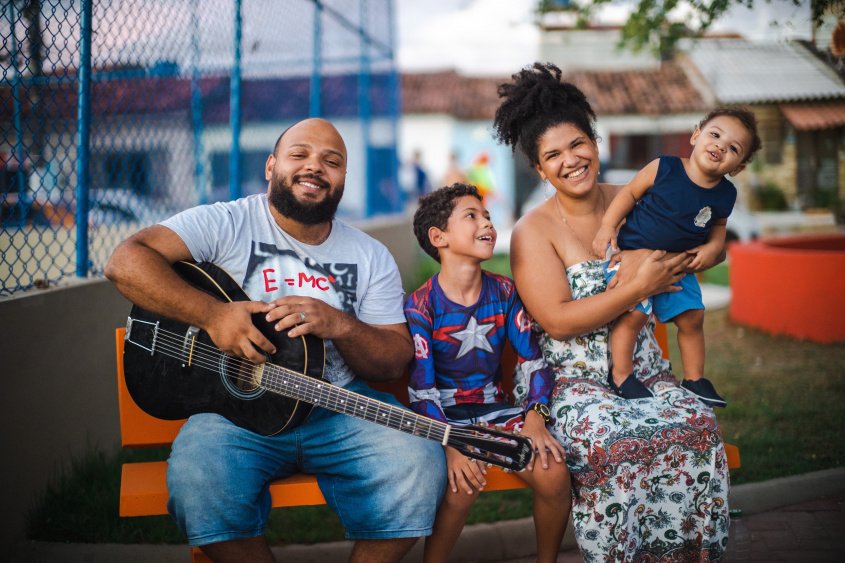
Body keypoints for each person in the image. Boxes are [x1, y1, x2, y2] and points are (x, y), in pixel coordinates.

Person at [105, 118, 446, 563]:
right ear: (271, 166)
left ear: (344, 178)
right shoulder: (226, 222)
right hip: (234, 415)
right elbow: (125, 262)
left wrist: (339, 324)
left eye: (332, 161)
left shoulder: (369, 255)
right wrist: (212, 315)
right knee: (198, 484)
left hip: (338, 408)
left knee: (419, 463)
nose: (315, 168)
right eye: (299, 154)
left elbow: (393, 360)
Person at [493, 63, 731, 560]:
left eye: (578, 145)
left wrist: (713, 248)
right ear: (539, 170)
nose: (571, 160)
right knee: (612, 438)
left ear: (595, 144)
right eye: (553, 155)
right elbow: (556, 321)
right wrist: (637, 286)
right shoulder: (534, 232)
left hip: (642, 371)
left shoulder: (638, 199)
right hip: (569, 382)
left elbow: (700, 221)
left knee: (697, 425)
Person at [404, 183, 571, 563]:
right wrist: (450, 445)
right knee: (462, 485)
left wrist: (535, 418)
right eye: (472, 216)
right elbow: (422, 393)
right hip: (445, 422)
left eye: (488, 217)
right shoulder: (421, 307)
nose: (487, 223)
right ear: (438, 237)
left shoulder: (505, 292)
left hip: (497, 413)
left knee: (553, 470)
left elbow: (533, 364)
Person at [591, 108, 761, 406]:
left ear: (739, 166)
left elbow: (719, 227)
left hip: (679, 268)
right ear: (696, 135)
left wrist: (712, 248)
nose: (721, 146)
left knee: (693, 317)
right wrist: (607, 225)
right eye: (715, 134)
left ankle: (695, 379)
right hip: (633, 258)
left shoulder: (725, 195)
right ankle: (621, 375)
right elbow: (630, 194)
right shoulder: (664, 168)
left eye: (733, 148)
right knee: (635, 314)